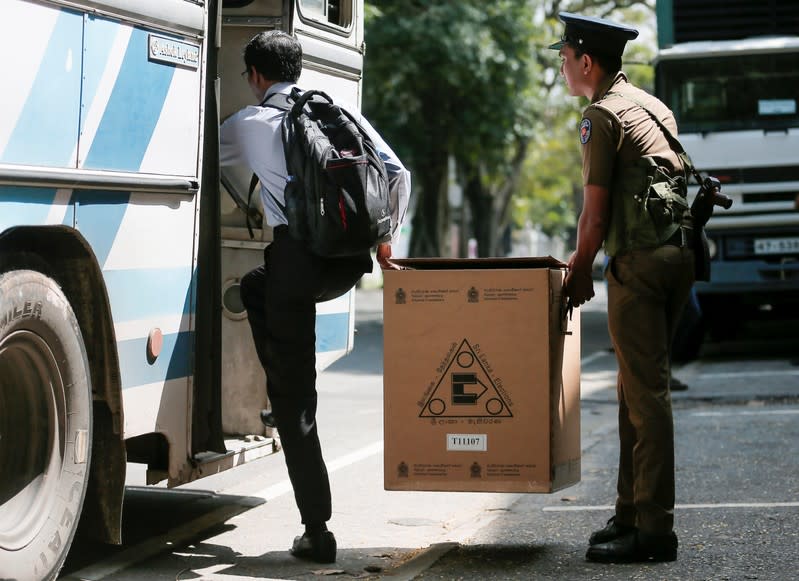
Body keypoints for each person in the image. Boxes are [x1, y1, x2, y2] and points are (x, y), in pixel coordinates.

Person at [220, 30, 411, 564]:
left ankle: (317, 531)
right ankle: (284, 375)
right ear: (298, 70)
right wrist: (382, 243)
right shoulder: (337, 112)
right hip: (346, 263)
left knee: (295, 399)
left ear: (256, 76)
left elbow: (201, 159)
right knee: (256, 286)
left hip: (298, 263)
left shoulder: (250, 123)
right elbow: (397, 173)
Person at [552, 12, 695, 563]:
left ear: (586, 62)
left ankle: (655, 530)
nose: (564, 69)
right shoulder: (653, 106)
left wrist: (578, 269)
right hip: (679, 257)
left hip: (638, 262)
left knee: (647, 394)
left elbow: (594, 213)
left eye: (565, 59)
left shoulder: (601, 115)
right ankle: (630, 513)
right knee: (633, 391)